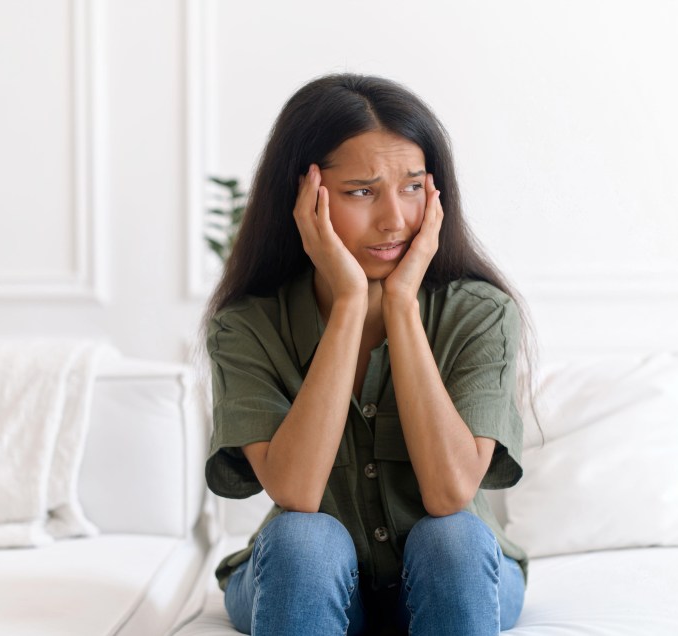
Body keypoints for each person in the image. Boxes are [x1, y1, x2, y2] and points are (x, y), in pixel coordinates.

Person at [199, 73, 538, 636]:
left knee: (452, 537)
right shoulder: (246, 326)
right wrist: (350, 303)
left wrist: (402, 305)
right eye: (362, 191)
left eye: (411, 187)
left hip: (453, 575)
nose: (395, 220)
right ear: (304, 197)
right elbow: (296, 491)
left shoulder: (480, 313)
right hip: (306, 578)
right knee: (301, 539)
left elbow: (452, 492)